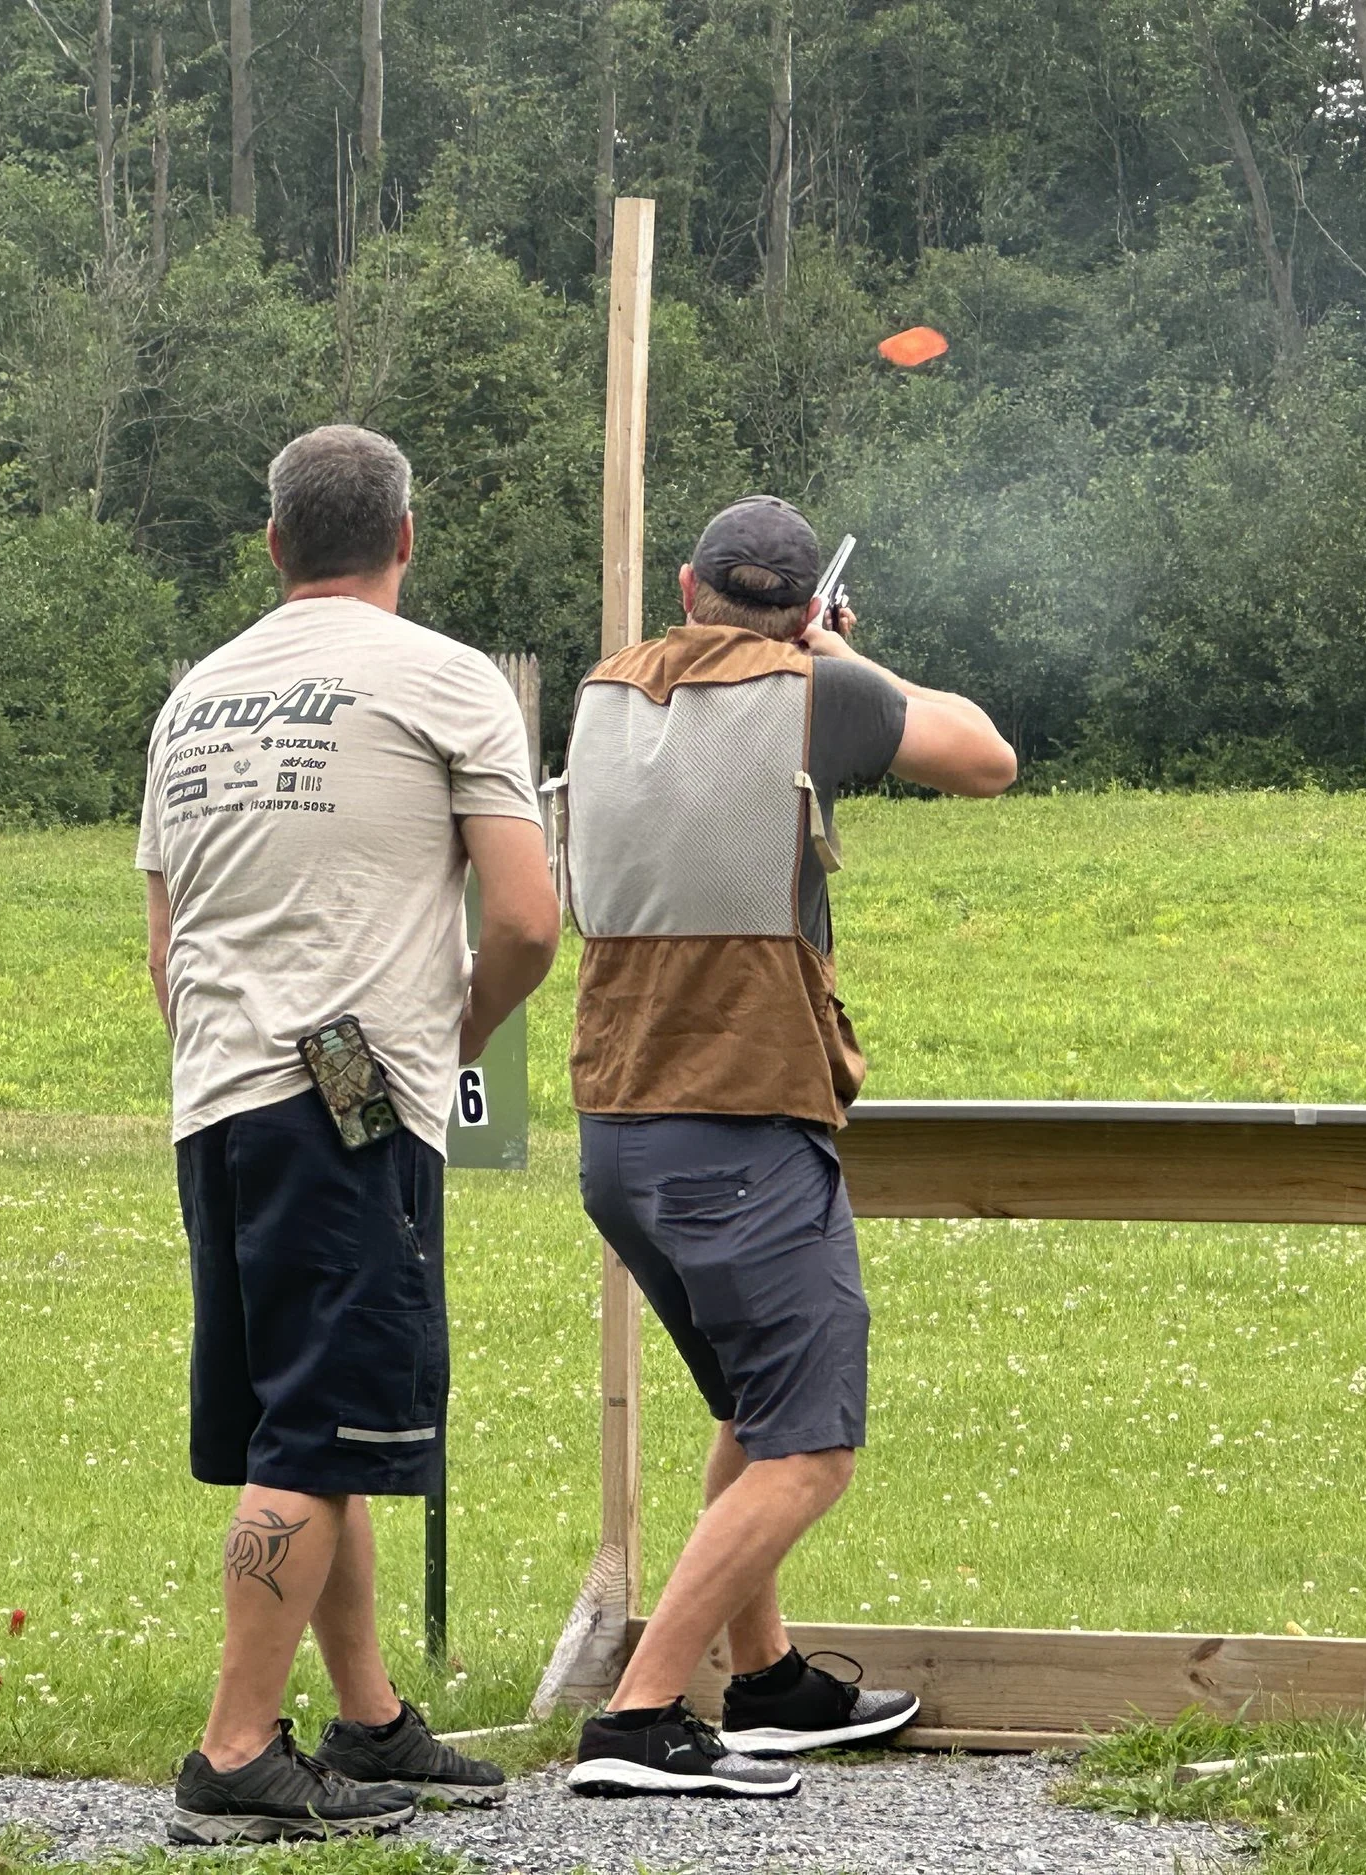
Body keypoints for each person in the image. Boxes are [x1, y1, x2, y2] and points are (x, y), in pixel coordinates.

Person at [558, 495, 1017, 1798]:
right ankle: (644, 1711)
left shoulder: (607, 694)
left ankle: (765, 1684)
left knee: (756, 1412)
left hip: (620, 1128)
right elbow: (986, 756)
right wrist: (838, 660)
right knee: (811, 1446)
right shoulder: (814, 692)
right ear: (804, 606)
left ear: (690, 586)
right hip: (743, 1123)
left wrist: (800, 653)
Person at [138, 424, 560, 1843]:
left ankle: (368, 1720)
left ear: (272, 546)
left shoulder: (194, 698)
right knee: (319, 1434)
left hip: (220, 1097)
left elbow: (167, 943)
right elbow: (524, 918)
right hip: (353, 1103)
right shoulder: (446, 679)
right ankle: (237, 1752)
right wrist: (448, 1036)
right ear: (407, 534)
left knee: (316, 1421)